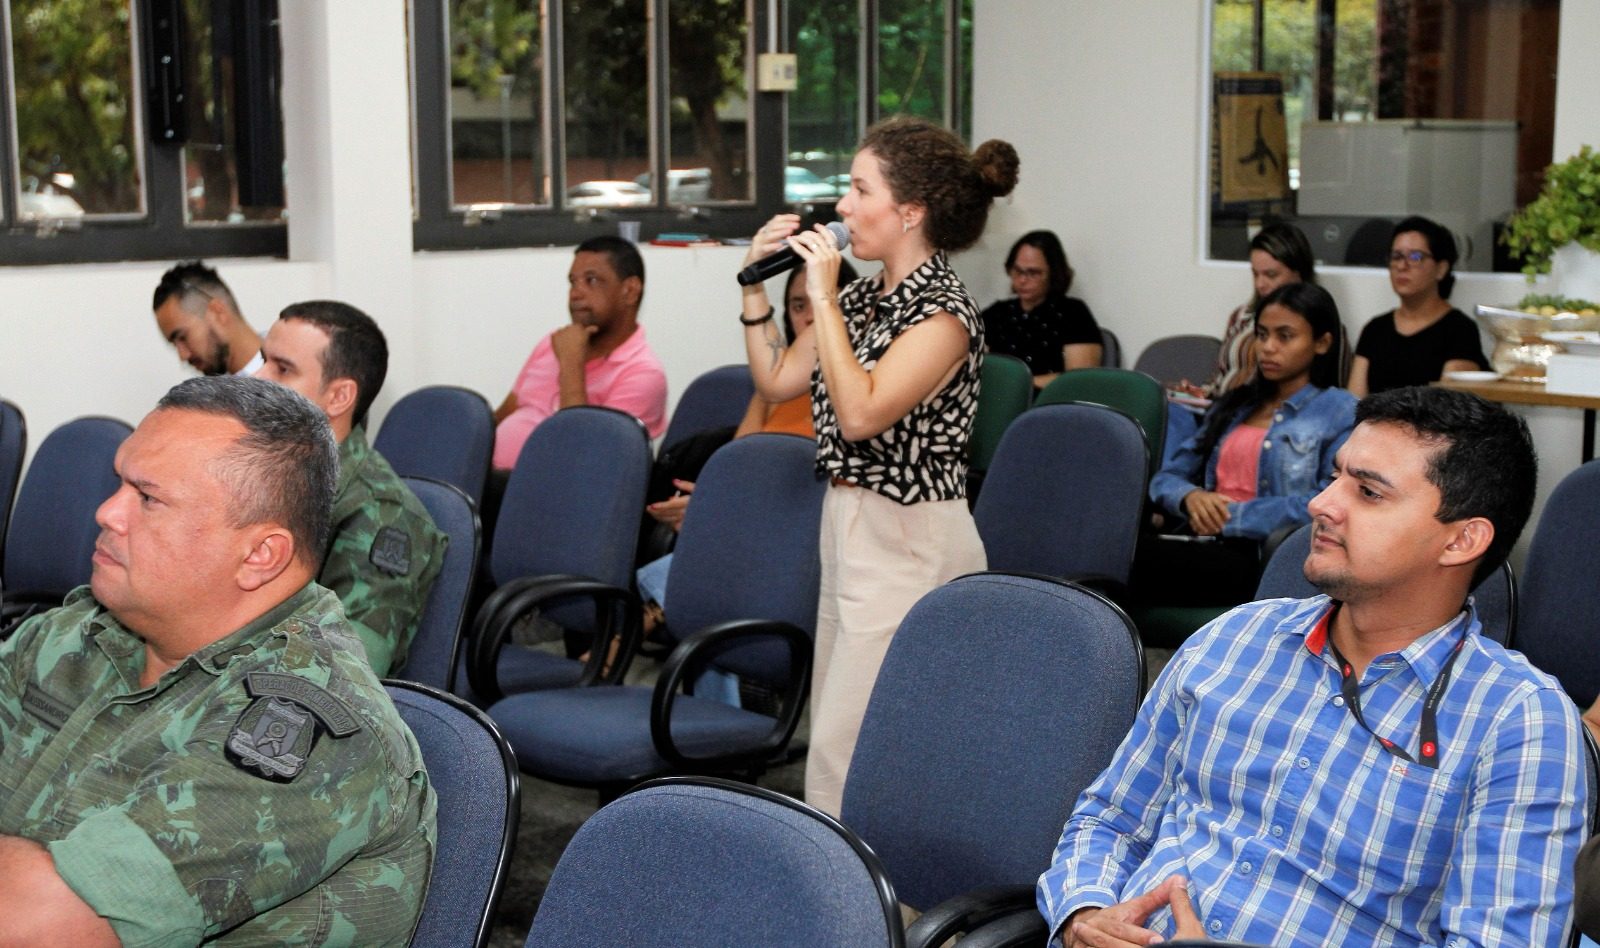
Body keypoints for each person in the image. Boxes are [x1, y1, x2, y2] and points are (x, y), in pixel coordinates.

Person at [1039, 386, 1585, 948]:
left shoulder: (1519, 724)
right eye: (1334, 476)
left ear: (1461, 540)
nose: (1321, 504)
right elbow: (1110, 819)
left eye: (1368, 492)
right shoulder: (1234, 639)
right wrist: (1086, 913)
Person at [0, 376, 435, 945]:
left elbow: (34, 924)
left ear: (259, 555)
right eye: (118, 483)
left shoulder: (307, 730)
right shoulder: (76, 634)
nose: (107, 512)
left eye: (148, 498)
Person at [740, 117, 1018, 816]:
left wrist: (822, 296)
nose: (842, 206)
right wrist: (753, 290)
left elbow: (862, 413)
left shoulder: (946, 315)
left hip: (910, 537)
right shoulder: (862, 299)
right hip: (847, 520)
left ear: (911, 212)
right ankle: (853, 877)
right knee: (834, 731)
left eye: (860, 190)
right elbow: (777, 380)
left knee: (848, 748)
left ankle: (856, 883)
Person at [257, 300, 447, 676]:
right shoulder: (258, 475)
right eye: (264, 361)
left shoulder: (382, 514)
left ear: (339, 397)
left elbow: (345, 668)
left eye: (282, 368)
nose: (258, 378)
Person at [1150, 282, 1355, 543]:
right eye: (1261, 334)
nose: (1267, 347)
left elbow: (1328, 501)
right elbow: (1167, 477)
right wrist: (1190, 497)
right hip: (1208, 542)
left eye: (1285, 336)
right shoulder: (1235, 404)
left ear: (1322, 343)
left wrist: (1231, 517)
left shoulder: (1340, 411)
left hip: (1272, 551)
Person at [491, 235, 668, 472]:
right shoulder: (553, 343)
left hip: (552, 489)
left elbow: (583, 458)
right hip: (491, 480)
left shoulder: (644, 375)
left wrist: (571, 363)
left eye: (591, 280)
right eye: (573, 282)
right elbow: (500, 418)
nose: (575, 293)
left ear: (630, 290)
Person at [1348, 216, 1490, 396]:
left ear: (1441, 269)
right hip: (1375, 415)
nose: (1402, 265)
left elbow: (1449, 404)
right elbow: (1354, 402)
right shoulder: (1375, 329)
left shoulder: (1460, 329)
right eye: (1396, 256)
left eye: (1415, 256)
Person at [1190, 222, 1318, 398]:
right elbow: (1219, 375)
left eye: (1271, 275)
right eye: (1255, 274)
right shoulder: (1242, 316)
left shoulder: (1317, 323)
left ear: (1299, 273)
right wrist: (1198, 394)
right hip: (1217, 407)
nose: (1260, 284)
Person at [980, 230, 1102, 389]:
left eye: (1033, 273)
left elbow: (1079, 379)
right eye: (1017, 271)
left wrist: (1015, 386)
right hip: (1001, 395)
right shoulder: (997, 313)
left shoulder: (1073, 313)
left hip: (1048, 399)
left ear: (1053, 273)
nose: (1022, 280)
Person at [151, 260, 265, 376]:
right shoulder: (222, 387)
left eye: (183, 337)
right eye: (174, 345)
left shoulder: (275, 379)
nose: (183, 356)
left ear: (217, 313)